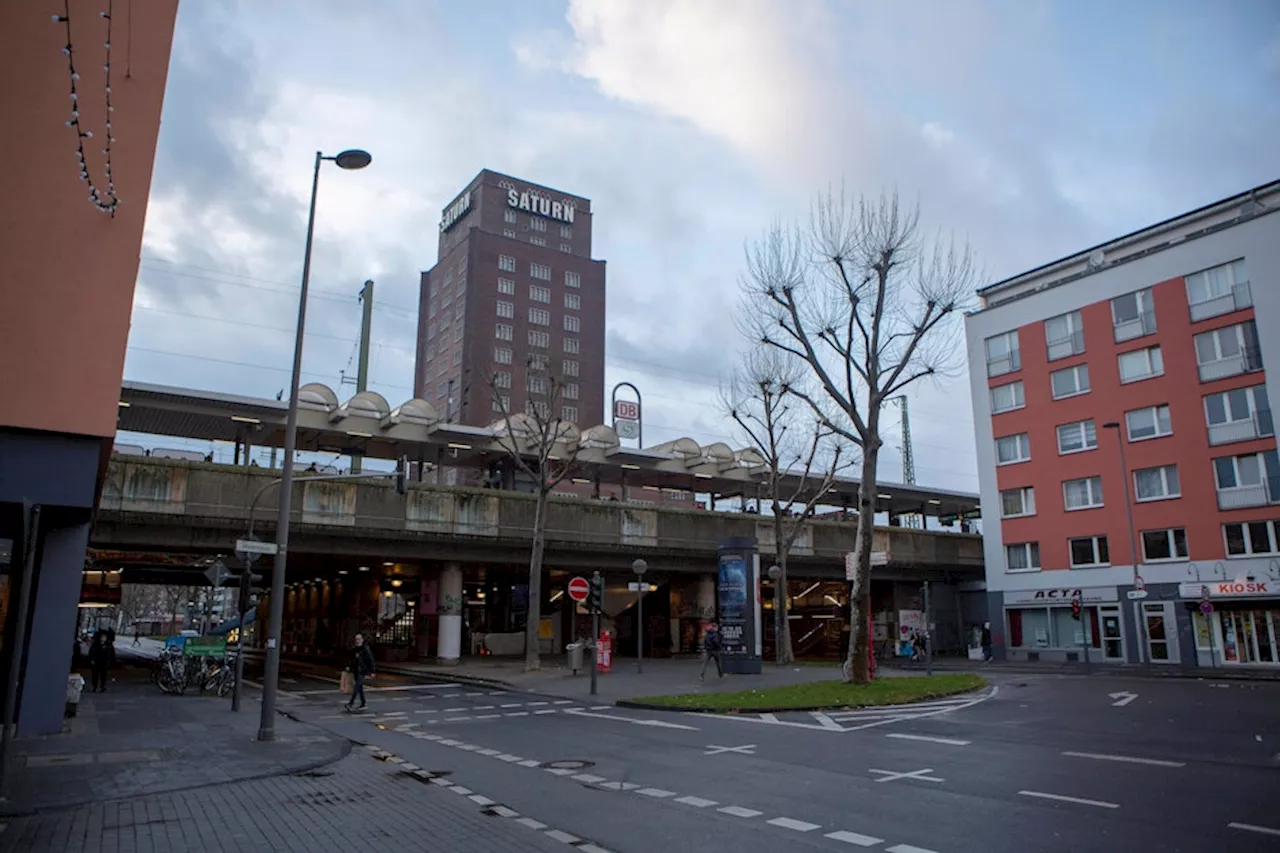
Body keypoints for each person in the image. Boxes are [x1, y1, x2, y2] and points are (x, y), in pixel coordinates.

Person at [344, 633, 376, 712]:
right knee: (360, 688)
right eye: (356, 639)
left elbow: (371, 660)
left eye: (359, 639)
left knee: (356, 687)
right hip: (356, 671)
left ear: (362, 640)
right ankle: (363, 703)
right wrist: (349, 666)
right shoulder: (355, 649)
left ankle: (350, 703)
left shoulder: (365, 649)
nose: (357, 641)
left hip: (362, 671)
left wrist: (372, 671)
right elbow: (353, 660)